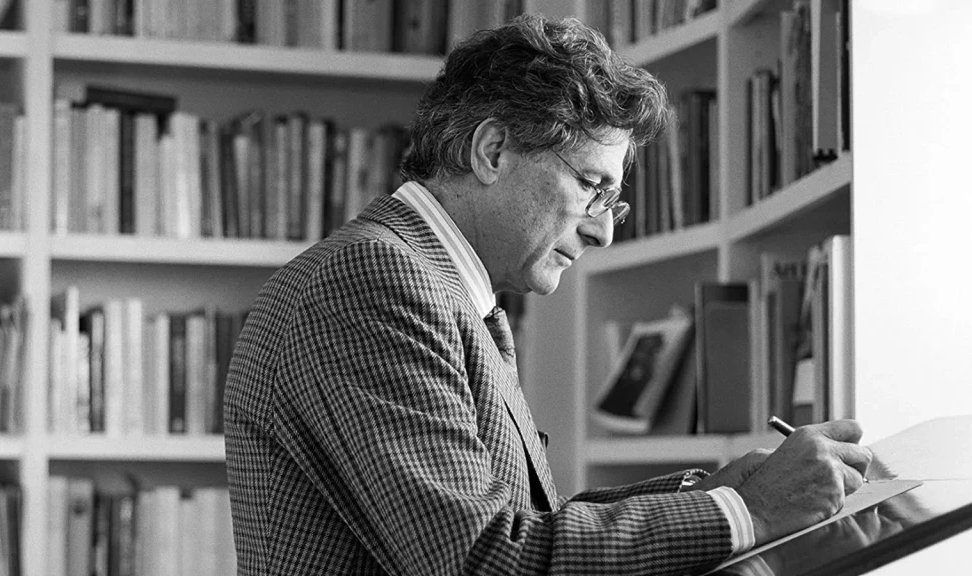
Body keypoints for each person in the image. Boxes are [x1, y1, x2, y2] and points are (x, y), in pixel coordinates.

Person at [223, 13, 872, 575]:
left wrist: (712, 492)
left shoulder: (439, 285)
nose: (602, 231)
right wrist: (747, 511)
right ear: (493, 150)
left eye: (612, 203)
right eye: (592, 187)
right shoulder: (373, 280)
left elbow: (527, 523)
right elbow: (485, 558)